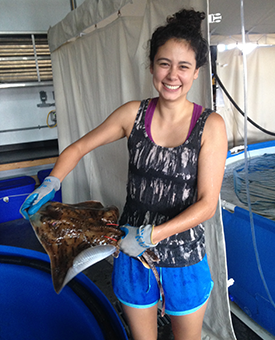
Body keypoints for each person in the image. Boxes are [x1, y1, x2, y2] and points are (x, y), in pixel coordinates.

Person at [20, 8, 227, 340]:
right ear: (151, 67)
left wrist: (150, 236)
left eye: (184, 66)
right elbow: (76, 149)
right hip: (131, 252)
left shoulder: (210, 126)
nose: (173, 75)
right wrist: (51, 181)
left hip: (184, 258)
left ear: (197, 73)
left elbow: (206, 205)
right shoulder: (134, 113)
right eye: (164, 63)